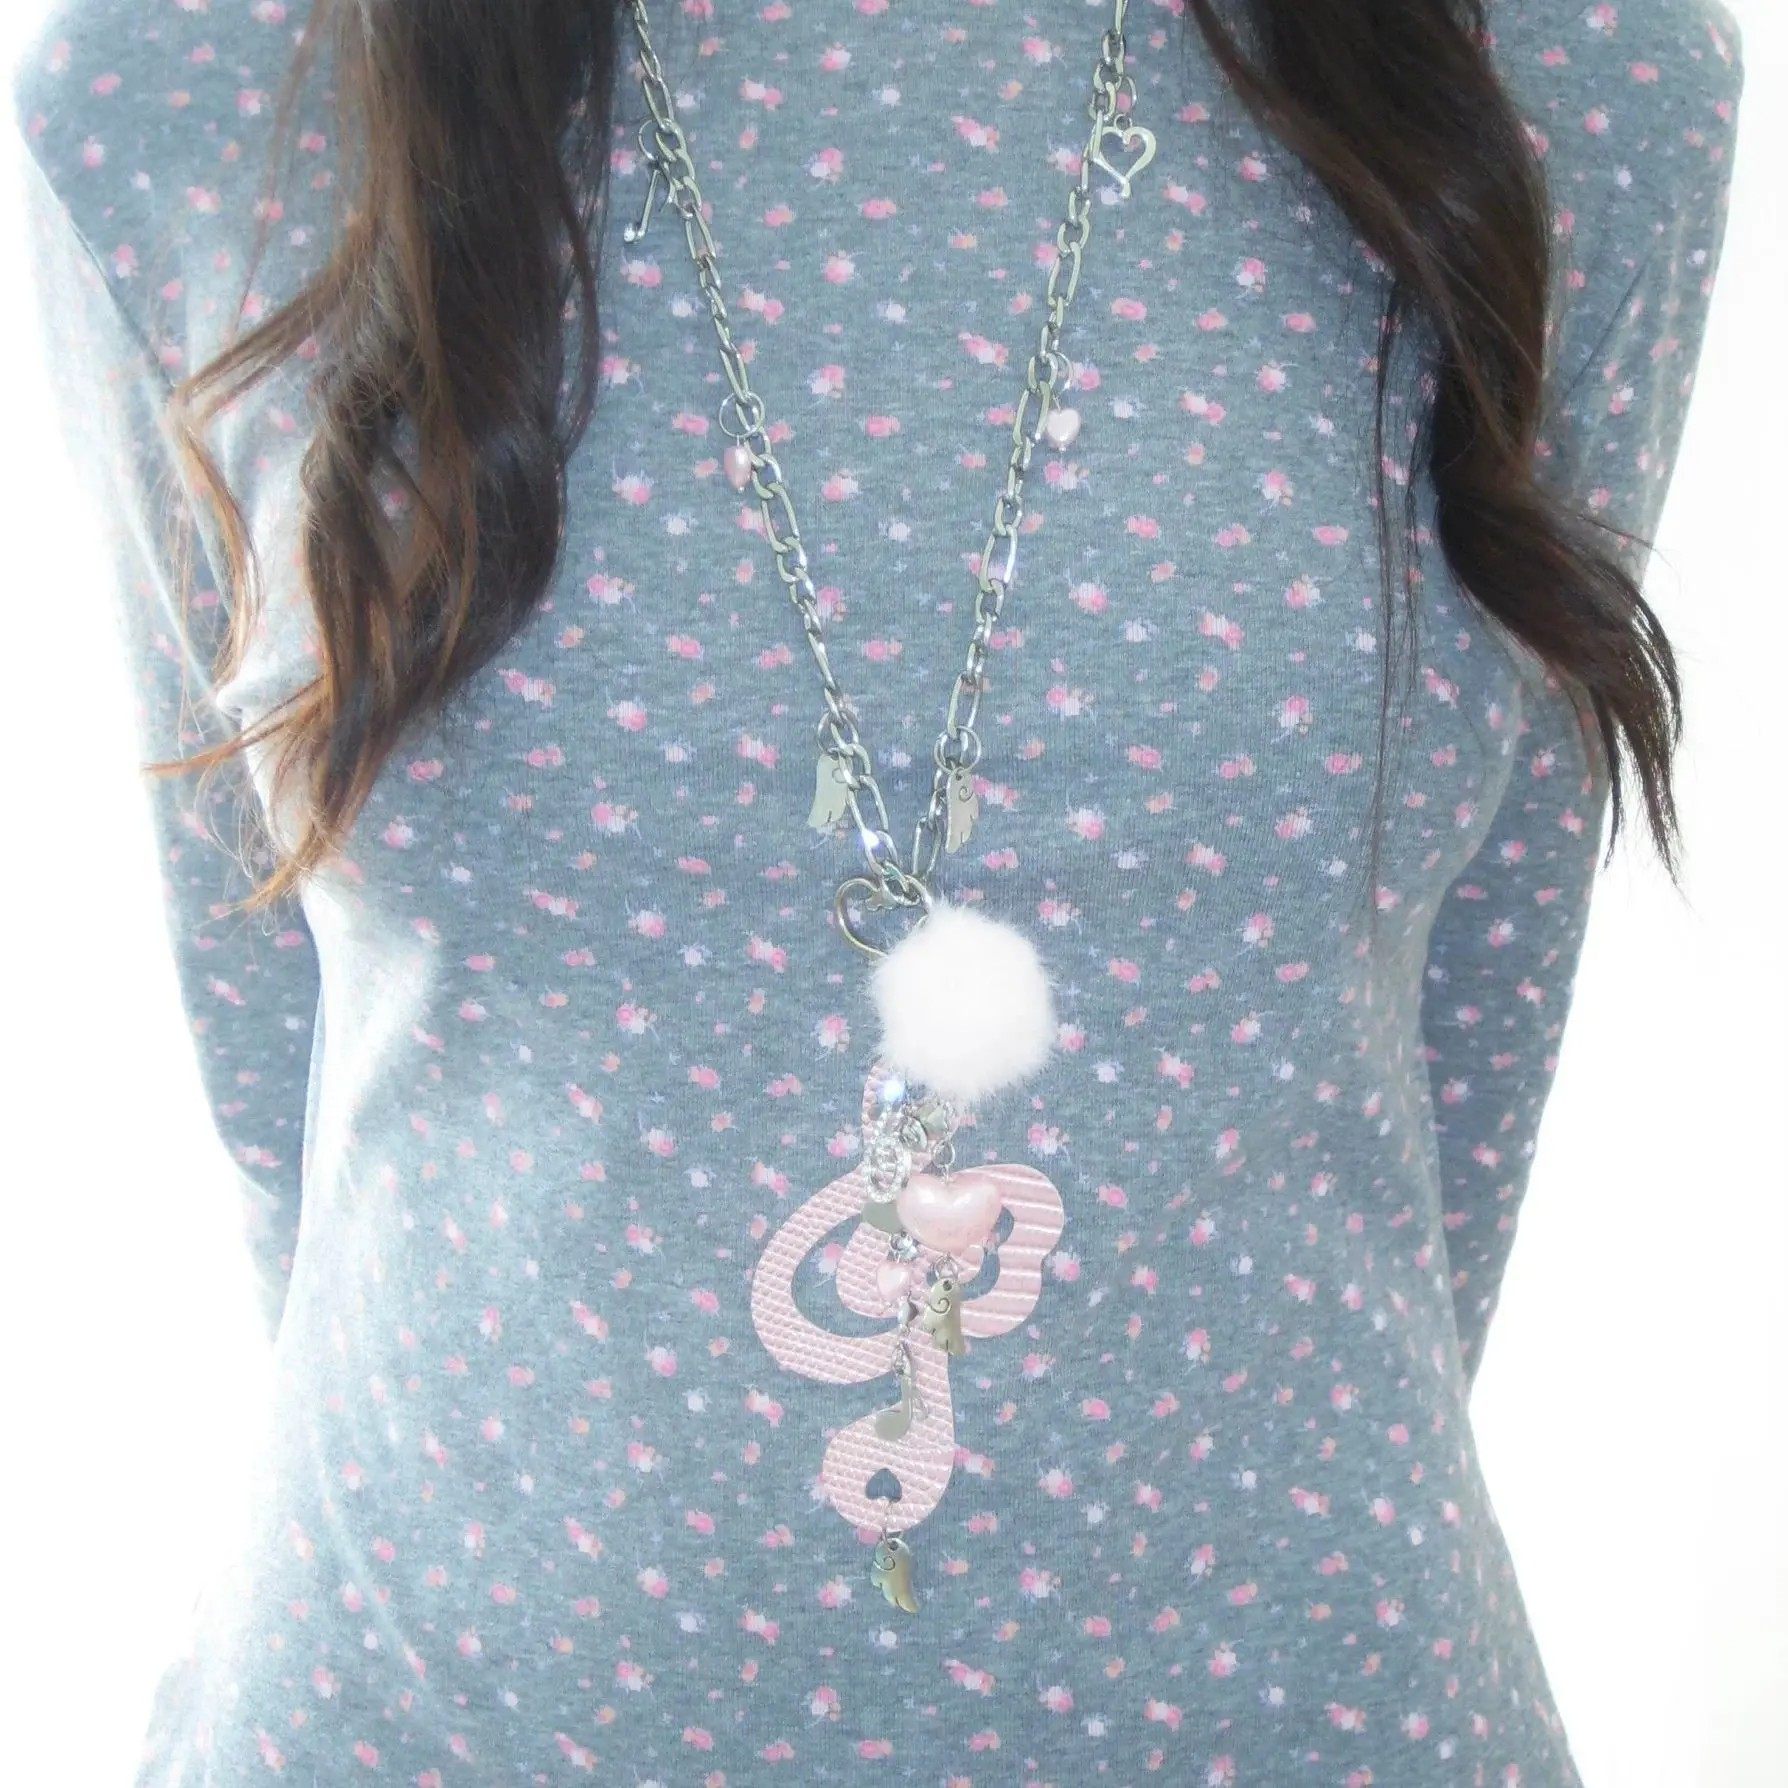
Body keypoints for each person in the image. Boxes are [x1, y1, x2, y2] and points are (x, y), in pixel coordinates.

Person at [15, 0, 1742, 1781]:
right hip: (424, 1714)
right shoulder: (193, 74)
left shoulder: (1573, 75)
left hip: (1304, 1719)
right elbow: (276, 1090)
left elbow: (1472, 1059)